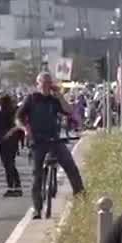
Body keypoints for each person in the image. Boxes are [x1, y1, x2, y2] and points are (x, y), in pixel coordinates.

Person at [18, 71, 86, 219]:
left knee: (71, 167)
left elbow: (69, 111)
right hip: (38, 141)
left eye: (49, 83)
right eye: (43, 82)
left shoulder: (54, 100)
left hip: (54, 139)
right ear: (38, 84)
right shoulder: (31, 99)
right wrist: (26, 130)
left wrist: (60, 95)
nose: (46, 86)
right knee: (37, 175)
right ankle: (37, 208)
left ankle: (81, 199)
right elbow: (19, 117)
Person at [0, 94, 24, 197]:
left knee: (8, 164)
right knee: (9, 164)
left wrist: (7, 135)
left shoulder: (7, 113)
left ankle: (12, 187)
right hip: (9, 141)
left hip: (8, 141)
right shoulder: (9, 112)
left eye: (1, 102)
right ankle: (16, 186)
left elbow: (16, 126)